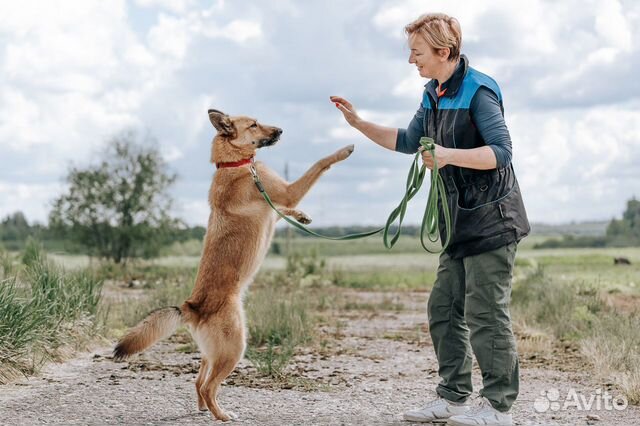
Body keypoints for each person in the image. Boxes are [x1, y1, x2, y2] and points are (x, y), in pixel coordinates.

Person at [330, 12, 530, 426]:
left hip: (493, 220)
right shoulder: (432, 93)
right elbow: (406, 140)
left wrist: (447, 156)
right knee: (443, 307)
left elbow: (502, 152)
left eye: (417, 53)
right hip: (457, 222)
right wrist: (357, 122)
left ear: (444, 52)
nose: (411, 61)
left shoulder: (479, 91)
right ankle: (454, 398)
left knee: (485, 312)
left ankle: (497, 408)